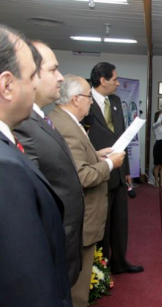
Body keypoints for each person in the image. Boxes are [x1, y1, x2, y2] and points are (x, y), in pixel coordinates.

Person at [0, 25, 71, 306]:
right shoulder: (6, 168)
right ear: (7, 86)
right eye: (32, 76)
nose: (35, 84)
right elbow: (25, 284)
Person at [13, 41, 84, 289]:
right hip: (51, 242)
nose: (61, 78)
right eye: (53, 70)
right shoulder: (23, 124)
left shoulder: (40, 118)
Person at [50, 75, 126, 307]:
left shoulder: (65, 120)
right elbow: (81, 176)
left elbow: (79, 160)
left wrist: (98, 155)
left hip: (79, 215)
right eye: (87, 97)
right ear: (75, 99)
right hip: (81, 216)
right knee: (77, 289)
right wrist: (110, 164)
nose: (91, 102)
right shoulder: (67, 126)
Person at [87, 62, 143, 275]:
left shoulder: (117, 101)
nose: (118, 83)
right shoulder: (86, 101)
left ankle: (120, 262)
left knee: (120, 221)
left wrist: (127, 170)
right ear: (102, 80)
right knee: (102, 223)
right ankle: (101, 266)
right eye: (115, 79)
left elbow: (122, 139)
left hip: (119, 172)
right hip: (98, 172)